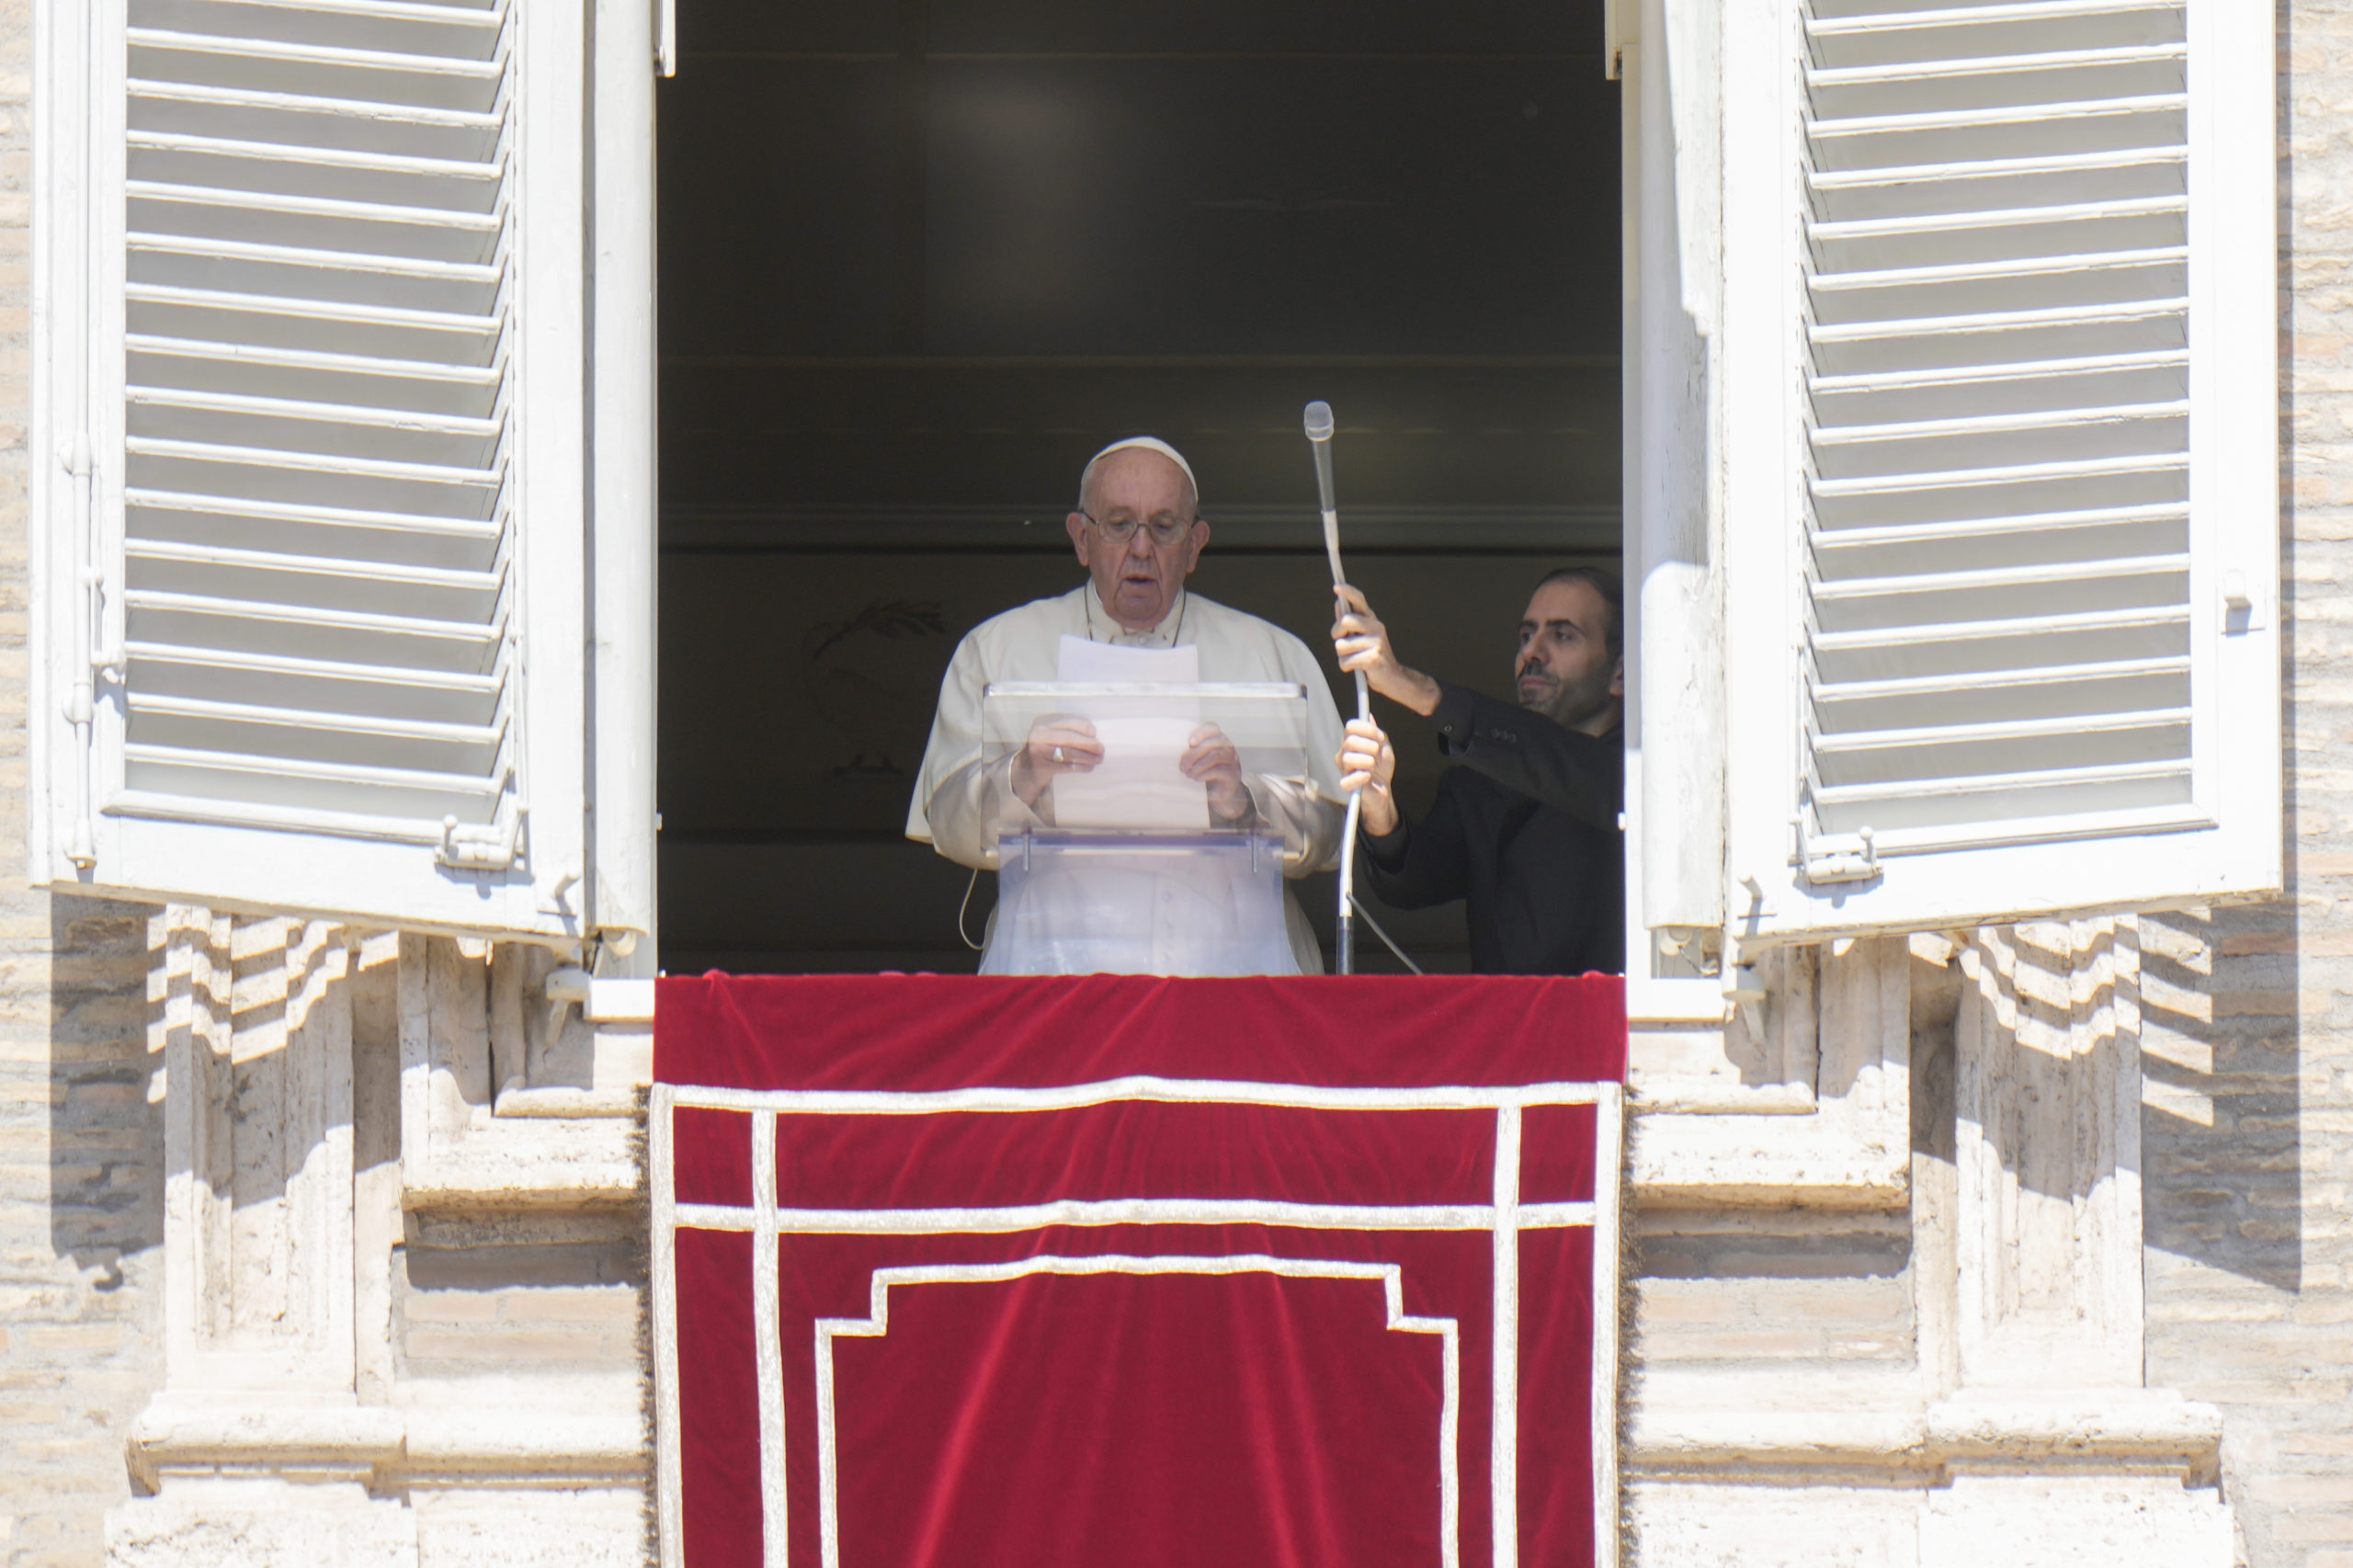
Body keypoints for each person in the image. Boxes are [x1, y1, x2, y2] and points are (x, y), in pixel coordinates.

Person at [909, 437, 1347, 973]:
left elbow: (1335, 833)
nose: (1141, 548)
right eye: (1119, 524)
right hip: (1052, 964)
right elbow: (947, 821)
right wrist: (1021, 774)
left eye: (1164, 527)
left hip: (1231, 969)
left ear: (1195, 545)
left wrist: (1245, 799)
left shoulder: (1275, 654)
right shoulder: (996, 649)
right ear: (1081, 538)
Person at [1329, 569, 1625, 975]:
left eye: (1561, 636)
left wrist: (1414, 688)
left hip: (1627, 1029)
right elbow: (1412, 880)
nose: (1532, 653)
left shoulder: (1647, 771)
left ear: (1621, 672)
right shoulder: (1480, 782)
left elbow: (1582, 775)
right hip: (1511, 1030)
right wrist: (1381, 807)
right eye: (1526, 636)